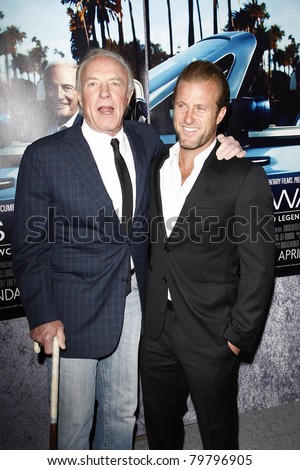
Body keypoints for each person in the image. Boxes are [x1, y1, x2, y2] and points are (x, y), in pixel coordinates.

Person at [11, 49, 245, 451]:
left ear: (128, 95)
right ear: (81, 97)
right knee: (74, 423)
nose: (105, 94)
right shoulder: (44, 156)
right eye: (93, 85)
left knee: (123, 411)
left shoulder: (145, 139)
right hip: (72, 309)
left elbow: (189, 155)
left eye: (115, 84)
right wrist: (43, 315)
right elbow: (30, 247)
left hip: (136, 299)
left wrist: (225, 147)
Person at [140, 60, 275, 450]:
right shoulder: (156, 165)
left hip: (212, 334)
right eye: (182, 105)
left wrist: (236, 337)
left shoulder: (243, 176)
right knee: (161, 433)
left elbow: (259, 267)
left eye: (201, 107)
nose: (189, 116)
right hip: (155, 331)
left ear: (220, 114)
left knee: (217, 437)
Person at [42, 60, 81, 134]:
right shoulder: (40, 127)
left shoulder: (90, 131)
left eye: (67, 88)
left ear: (79, 92)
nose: (59, 96)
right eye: (52, 88)